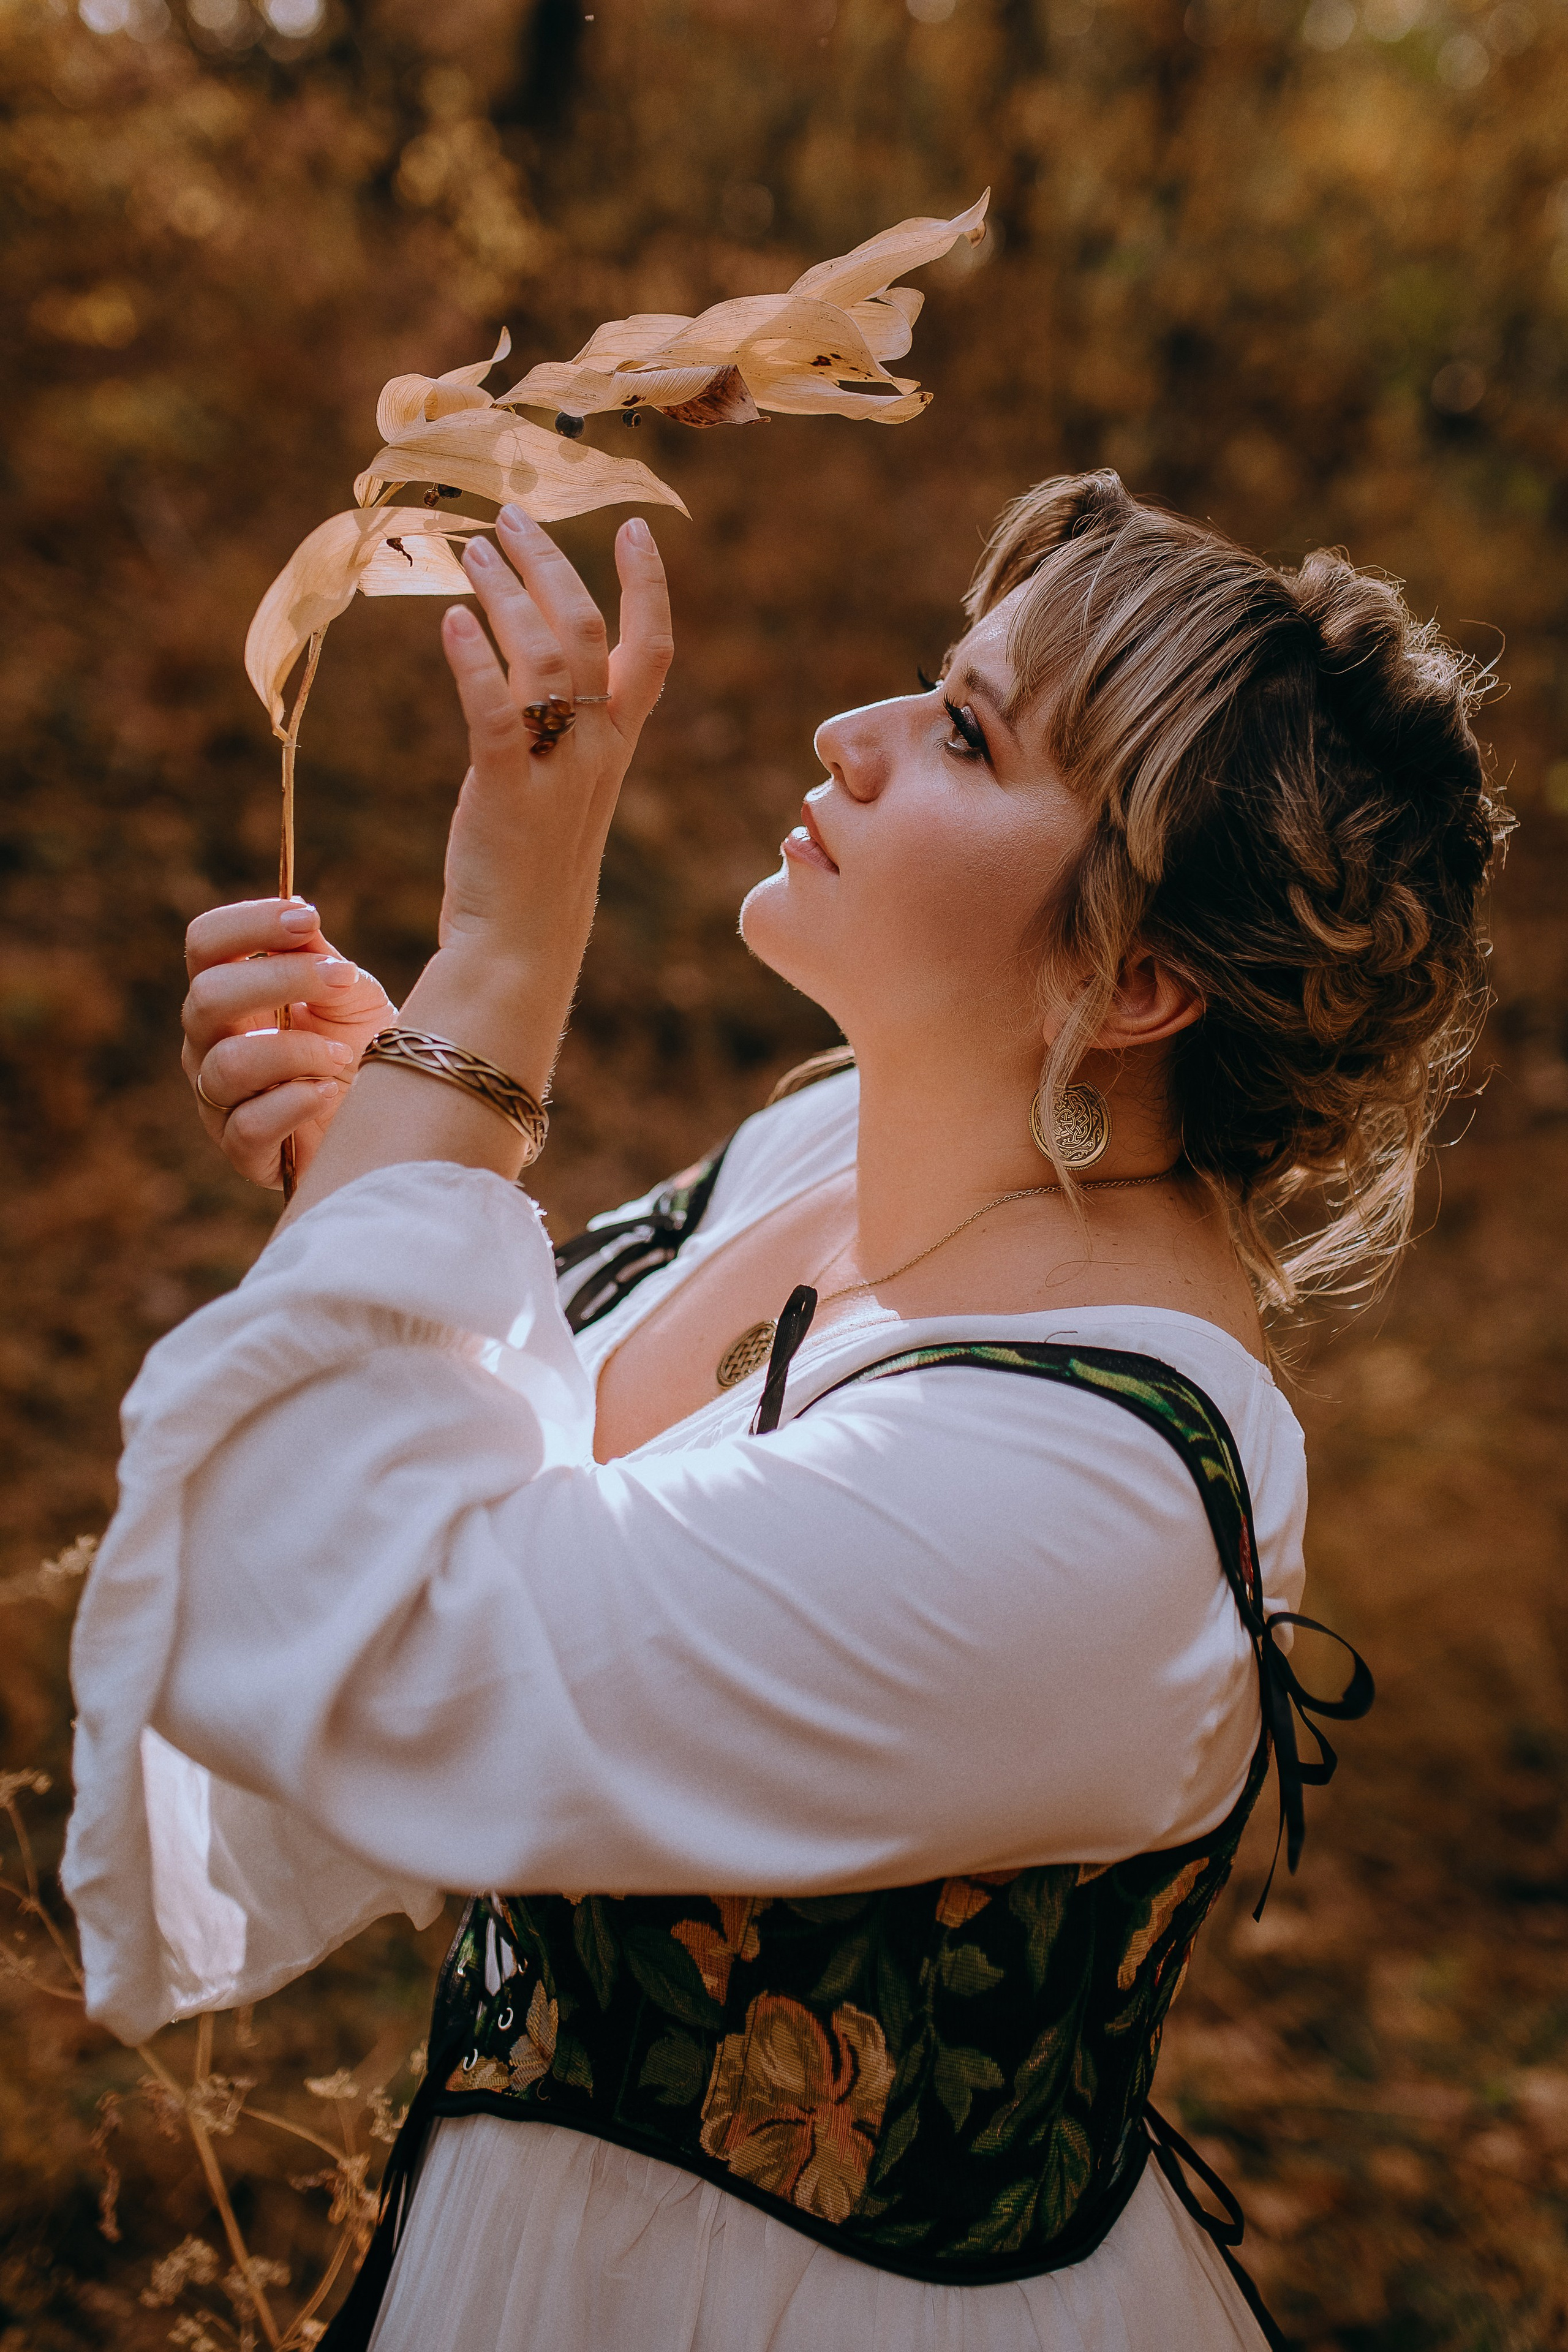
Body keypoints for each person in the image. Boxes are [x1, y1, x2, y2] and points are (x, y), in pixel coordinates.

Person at [63, 473, 1504, 2352]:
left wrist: (496, 969)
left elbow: (408, 1638)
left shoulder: (1092, 1506)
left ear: (1132, 977)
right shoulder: (835, 1143)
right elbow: (558, 1479)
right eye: (935, 679)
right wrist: (383, 1144)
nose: (858, 734)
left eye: (968, 738)